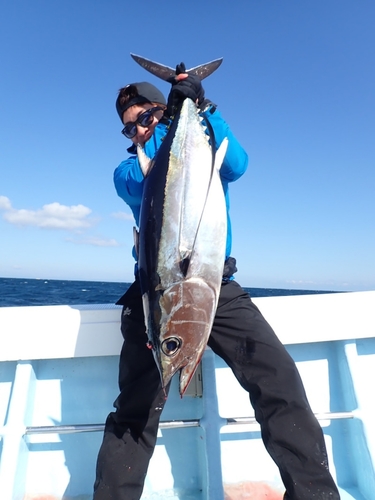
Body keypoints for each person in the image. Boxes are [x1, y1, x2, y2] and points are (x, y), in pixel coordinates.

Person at [93, 67, 341, 500]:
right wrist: (166, 124)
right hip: (157, 289)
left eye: (145, 118)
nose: (136, 131)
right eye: (128, 126)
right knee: (134, 407)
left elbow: (239, 164)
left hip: (216, 286)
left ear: (162, 112)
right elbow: (142, 185)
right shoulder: (129, 170)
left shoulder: (205, 144)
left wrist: (200, 108)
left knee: (278, 382)